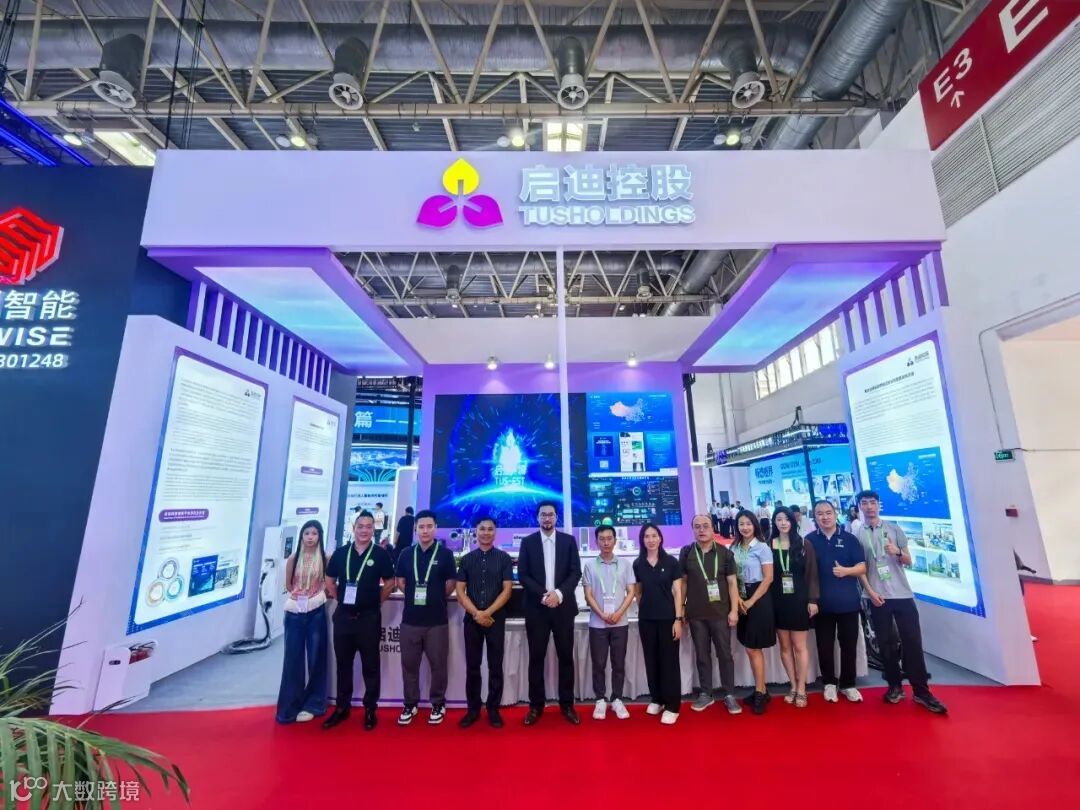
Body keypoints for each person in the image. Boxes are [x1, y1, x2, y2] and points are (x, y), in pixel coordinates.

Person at [855, 490, 947, 714]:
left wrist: (897, 552)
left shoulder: (894, 529)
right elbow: (860, 568)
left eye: (873, 502)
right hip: (877, 597)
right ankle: (894, 686)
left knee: (912, 642)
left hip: (902, 594)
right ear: (860, 507)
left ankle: (921, 691)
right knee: (886, 644)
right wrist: (869, 592)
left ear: (879, 505)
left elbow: (908, 560)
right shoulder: (858, 534)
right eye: (864, 503)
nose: (869, 507)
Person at [323, 511, 395, 731]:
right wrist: (339, 598)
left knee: (370, 666)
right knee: (343, 665)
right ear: (353, 529)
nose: (364, 530)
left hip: (368, 619)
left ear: (374, 529)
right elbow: (329, 580)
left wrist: (376, 602)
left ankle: (370, 709)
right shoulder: (341, 553)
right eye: (360, 526)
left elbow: (390, 583)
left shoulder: (380, 554)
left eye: (369, 526)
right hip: (344, 618)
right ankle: (342, 707)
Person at [517, 500, 582, 726]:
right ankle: (536, 706)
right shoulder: (528, 542)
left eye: (551, 514)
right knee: (536, 658)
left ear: (556, 517)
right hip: (537, 609)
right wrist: (545, 595)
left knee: (566, 658)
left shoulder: (568, 541)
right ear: (537, 517)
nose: (547, 518)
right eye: (543, 514)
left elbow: (575, 572)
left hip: (563, 609)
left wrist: (559, 594)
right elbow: (523, 575)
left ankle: (567, 705)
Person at [395, 509, 457, 725]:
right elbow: (401, 582)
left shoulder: (445, 554)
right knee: (409, 666)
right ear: (415, 529)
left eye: (429, 526)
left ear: (436, 528)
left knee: (438, 666)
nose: (425, 530)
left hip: (437, 622)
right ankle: (410, 704)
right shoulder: (406, 554)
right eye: (421, 527)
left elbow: (450, 584)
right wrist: (415, 596)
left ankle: (438, 703)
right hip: (410, 621)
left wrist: (434, 597)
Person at [455, 515, 514, 728]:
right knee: (473, 666)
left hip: (495, 619)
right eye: (482, 529)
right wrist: (476, 614)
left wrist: (487, 612)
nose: (486, 533)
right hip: (472, 621)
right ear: (476, 532)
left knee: (495, 666)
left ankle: (493, 709)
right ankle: (473, 709)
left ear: (495, 533)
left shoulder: (504, 558)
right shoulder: (466, 559)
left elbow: (507, 590)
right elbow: (460, 590)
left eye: (490, 529)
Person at [679, 513, 741, 715]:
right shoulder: (687, 552)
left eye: (705, 525)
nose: (701, 530)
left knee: (725, 654)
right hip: (696, 614)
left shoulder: (725, 553)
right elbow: (683, 583)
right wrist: (681, 609)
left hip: (720, 613)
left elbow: (732, 584)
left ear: (713, 528)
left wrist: (734, 610)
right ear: (693, 530)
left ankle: (729, 694)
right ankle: (706, 693)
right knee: (702, 654)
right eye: (697, 526)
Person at [806, 500, 866, 704]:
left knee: (849, 645)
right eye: (819, 514)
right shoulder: (809, 540)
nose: (824, 517)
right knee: (824, 646)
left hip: (848, 603)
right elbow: (806, 573)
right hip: (821, 605)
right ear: (815, 517)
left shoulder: (849, 539)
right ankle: (829, 683)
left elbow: (862, 567)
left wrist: (846, 571)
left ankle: (848, 684)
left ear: (835, 513)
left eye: (828, 513)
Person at [276, 519, 329, 724]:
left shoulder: (325, 558)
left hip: (316, 610)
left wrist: (314, 598)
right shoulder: (293, 558)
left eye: (314, 533)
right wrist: (300, 597)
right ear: (301, 536)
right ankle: (289, 707)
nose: (310, 537)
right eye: (307, 533)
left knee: (316, 658)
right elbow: (289, 585)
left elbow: (327, 582)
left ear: (320, 536)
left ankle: (314, 704)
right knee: (292, 660)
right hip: (294, 612)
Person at [633, 523, 685, 725]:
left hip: (668, 620)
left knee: (669, 662)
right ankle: (657, 699)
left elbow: (678, 592)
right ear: (642, 540)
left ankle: (672, 706)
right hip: (647, 620)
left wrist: (678, 619)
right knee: (651, 660)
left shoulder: (671, 562)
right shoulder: (638, 564)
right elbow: (638, 592)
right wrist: (645, 609)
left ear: (660, 538)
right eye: (646, 536)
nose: (651, 540)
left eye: (654, 535)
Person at [583, 525, 636, 720]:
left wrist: (618, 613)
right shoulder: (590, 566)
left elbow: (631, 592)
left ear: (615, 540)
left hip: (620, 623)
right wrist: (602, 614)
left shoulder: (625, 565)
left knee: (618, 663)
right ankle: (600, 699)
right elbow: (588, 595)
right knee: (598, 663)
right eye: (602, 539)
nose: (606, 542)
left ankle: (617, 699)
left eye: (609, 538)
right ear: (596, 541)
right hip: (598, 624)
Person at [770, 507, 819, 709]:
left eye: (786, 519)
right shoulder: (768, 544)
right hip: (777, 601)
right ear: (774, 522)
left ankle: (801, 688)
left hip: (799, 601)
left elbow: (812, 574)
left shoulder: (804, 544)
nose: (783, 523)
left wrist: (813, 600)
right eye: (779, 519)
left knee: (799, 646)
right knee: (785, 647)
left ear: (793, 521)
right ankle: (792, 684)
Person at [731, 509, 776, 714]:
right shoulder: (734, 547)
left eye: (748, 523)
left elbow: (768, 578)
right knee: (749, 645)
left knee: (753, 647)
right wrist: (738, 599)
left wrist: (750, 601)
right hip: (740, 596)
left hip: (758, 597)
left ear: (755, 525)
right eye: (741, 524)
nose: (745, 527)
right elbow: (732, 576)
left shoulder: (762, 547)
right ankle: (762, 690)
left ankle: (760, 692)